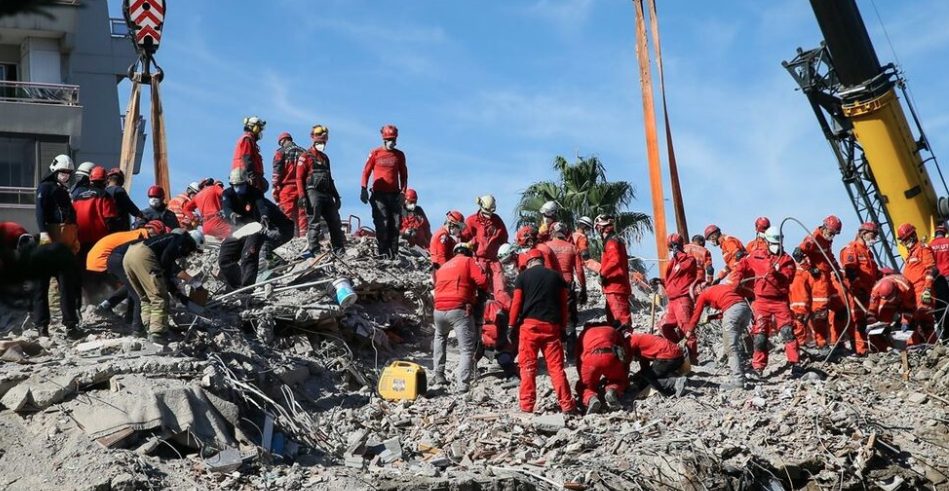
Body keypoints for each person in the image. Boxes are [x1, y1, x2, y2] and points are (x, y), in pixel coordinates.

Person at [509, 249, 576, 414]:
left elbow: (516, 303)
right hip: (551, 327)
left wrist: (511, 325)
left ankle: (526, 407)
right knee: (556, 368)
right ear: (542, 261)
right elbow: (563, 305)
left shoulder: (522, 277)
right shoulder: (556, 277)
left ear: (529, 262)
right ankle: (567, 405)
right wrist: (562, 327)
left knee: (528, 368)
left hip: (529, 328)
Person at [731, 226, 802, 377]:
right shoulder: (756, 256)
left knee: (787, 332)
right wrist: (736, 280)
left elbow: (788, 278)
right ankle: (758, 367)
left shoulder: (787, 259)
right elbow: (742, 265)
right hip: (762, 301)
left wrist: (775, 272)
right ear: (767, 242)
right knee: (760, 335)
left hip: (780, 301)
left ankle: (795, 363)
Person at [123, 229, 203, 342]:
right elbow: (166, 265)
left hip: (129, 256)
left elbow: (165, 272)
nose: (190, 253)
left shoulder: (167, 241)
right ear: (193, 242)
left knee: (146, 297)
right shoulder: (179, 240)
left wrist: (177, 294)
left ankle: (148, 329)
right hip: (143, 255)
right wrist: (184, 288)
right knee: (159, 297)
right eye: (193, 250)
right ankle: (157, 334)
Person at [86, 220, 166, 332]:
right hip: (102, 260)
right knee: (139, 291)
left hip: (97, 260)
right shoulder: (138, 237)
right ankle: (137, 327)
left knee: (133, 283)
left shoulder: (136, 234)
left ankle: (106, 307)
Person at [432, 242, 490, 391]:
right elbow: (482, 281)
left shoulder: (445, 265)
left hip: (438, 310)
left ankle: (438, 375)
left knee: (440, 337)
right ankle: (462, 385)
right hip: (458, 309)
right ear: (468, 252)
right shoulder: (468, 261)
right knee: (466, 349)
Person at [34, 155, 81, 337]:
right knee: (41, 286)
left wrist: (74, 240)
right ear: (55, 171)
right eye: (63, 172)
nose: (66, 175)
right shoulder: (45, 188)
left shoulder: (64, 192)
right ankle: (41, 327)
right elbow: (39, 212)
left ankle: (70, 325)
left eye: (68, 173)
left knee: (67, 286)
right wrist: (44, 234)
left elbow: (72, 219)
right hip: (48, 241)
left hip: (64, 244)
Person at [685, 283, 752, 388]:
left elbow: (696, 315)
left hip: (732, 312)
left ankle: (738, 380)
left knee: (730, 348)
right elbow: (731, 306)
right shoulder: (720, 287)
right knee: (734, 345)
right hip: (745, 310)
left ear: (698, 290)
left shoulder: (703, 294)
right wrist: (711, 318)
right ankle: (743, 374)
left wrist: (689, 332)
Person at [795, 215, 847, 349]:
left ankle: (838, 341)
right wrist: (811, 269)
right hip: (817, 281)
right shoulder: (814, 239)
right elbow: (798, 253)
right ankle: (821, 344)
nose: (833, 236)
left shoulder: (827, 240)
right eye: (831, 233)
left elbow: (829, 257)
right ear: (825, 228)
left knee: (841, 309)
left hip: (826, 280)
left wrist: (838, 271)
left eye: (835, 234)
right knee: (820, 313)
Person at [296, 124, 345, 255]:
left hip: (327, 194)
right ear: (313, 139)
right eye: (319, 141)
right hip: (313, 193)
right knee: (314, 222)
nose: (322, 143)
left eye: (323, 141)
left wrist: (336, 196)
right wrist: (302, 196)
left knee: (335, 221)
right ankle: (313, 249)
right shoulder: (305, 156)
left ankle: (339, 249)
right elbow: (299, 178)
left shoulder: (325, 158)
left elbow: (330, 178)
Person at [360, 124, 407, 258]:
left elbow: (404, 175)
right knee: (383, 223)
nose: (392, 142)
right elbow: (366, 171)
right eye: (390, 139)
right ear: (384, 140)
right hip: (379, 195)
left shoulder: (399, 155)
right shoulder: (375, 153)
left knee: (396, 225)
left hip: (395, 195)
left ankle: (393, 254)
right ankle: (383, 253)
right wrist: (363, 188)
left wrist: (403, 192)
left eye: (394, 139)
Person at [219, 169, 269, 288]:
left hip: (255, 228)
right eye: (235, 185)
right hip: (238, 229)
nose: (238, 188)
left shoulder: (255, 192)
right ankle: (237, 286)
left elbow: (261, 205)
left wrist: (264, 216)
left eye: (241, 185)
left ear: (246, 183)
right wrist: (231, 214)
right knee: (225, 259)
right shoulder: (227, 194)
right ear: (231, 184)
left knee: (248, 255)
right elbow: (226, 207)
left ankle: (247, 288)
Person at [839, 222, 882, 355]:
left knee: (870, 321)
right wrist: (860, 289)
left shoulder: (869, 253)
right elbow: (850, 272)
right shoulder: (851, 249)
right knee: (858, 321)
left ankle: (875, 348)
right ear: (863, 234)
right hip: (856, 293)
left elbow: (874, 273)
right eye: (872, 234)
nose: (874, 238)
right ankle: (860, 350)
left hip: (869, 293)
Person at [545, 222, 587, 358]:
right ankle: (571, 354)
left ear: (552, 232)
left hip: (550, 285)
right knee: (569, 320)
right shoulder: (572, 248)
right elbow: (579, 271)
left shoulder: (546, 247)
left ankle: (554, 354)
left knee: (552, 319)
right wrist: (584, 288)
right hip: (568, 286)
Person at [657, 233, 699, 363]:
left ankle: (692, 359)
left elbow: (684, 268)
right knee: (666, 327)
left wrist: (679, 254)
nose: (671, 251)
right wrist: (660, 281)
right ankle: (678, 351)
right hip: (673, 300)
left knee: (686, 329)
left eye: (672, 247)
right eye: (670, 248)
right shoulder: (673, 263)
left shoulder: (688, 259)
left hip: (683, 298)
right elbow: (672, 281)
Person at [896, 223, 938, 344]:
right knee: (912, 323)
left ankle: (932, 348)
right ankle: (915, 349)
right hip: (911, 294)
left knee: (924, 322)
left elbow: (932, 269)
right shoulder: (910, 256)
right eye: (903, 241)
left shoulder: (923, 249)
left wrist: (927, 289)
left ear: (913, 236)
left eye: (905, 239)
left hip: (921, 291)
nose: (904, 243)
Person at [460, 194, 509, 295]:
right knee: (479, 289)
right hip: (478, 260)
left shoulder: (497, 220)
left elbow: (504, 238)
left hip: (495, 261)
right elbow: (463, 240)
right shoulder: (471, 221)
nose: (489, 214)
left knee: (500, 287)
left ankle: (500, 308)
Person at [575, 322, 628, 414]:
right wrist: (623, 371)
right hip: (610, 357)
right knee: (619, 381)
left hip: (590, 360)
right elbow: (624, 351)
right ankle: (612, 390)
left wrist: (583, 376)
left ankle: (591, 398)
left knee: (584, 387)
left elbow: (578, 356)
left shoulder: (584, 332)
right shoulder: (611, 330)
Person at [73, 166, 121, 257]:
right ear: (105, 181)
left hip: (79, 240)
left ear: (90, 178)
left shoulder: (77, 195)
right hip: (99, 240)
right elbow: (110, 219)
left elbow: (71, 217)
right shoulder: (104, 195)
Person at [595, 215, 632, 328]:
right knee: (613, 324)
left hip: (615, 287)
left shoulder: (611, 242)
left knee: (621, 324)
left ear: (600, 228)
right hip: (615, 287)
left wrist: (602, 273)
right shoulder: (615, 240)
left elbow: (615, 260)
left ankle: (627, 344)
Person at [626, 332, 689, 397]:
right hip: (677, 356)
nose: (635, 361)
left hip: (668, 357)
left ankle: (675, 382)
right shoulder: (636, 339)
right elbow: (644, 362)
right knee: (649, 375)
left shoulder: (630, 343)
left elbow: (626, 364)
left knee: (649, 377)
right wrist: (639, 375)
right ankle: (673, 376)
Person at [272, 132, 307, 237]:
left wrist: (274, 187)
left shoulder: (280, 152)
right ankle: (303, 238)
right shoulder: (304, 152)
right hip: (303, 189)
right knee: (302, 214)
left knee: (286, 214)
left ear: (282, 141)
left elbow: (277, 171)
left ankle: (287, 238)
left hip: (287, 188)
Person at [479, 294, 517, 377]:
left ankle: (511, 374)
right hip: (499, 341)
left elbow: (496, 330)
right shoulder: (485, 306)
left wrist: (482, 330)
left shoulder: (490, 304)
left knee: (501, 352)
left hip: (500, 342)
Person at [789, 249, 818, 348]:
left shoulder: (805, 272)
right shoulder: (799, 273)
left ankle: (803, 343)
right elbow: (798, 293)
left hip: (805, 305)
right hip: (800, 306)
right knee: (800, 321)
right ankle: (800, 344)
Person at [232, 116, 268, 191]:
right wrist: (251, 176)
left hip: (247, 174)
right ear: (254, 128)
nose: (259, 132)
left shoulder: (249, 140)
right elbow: (247, 158)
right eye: (259, 129)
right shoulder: (247, 139)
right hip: (245, 175)